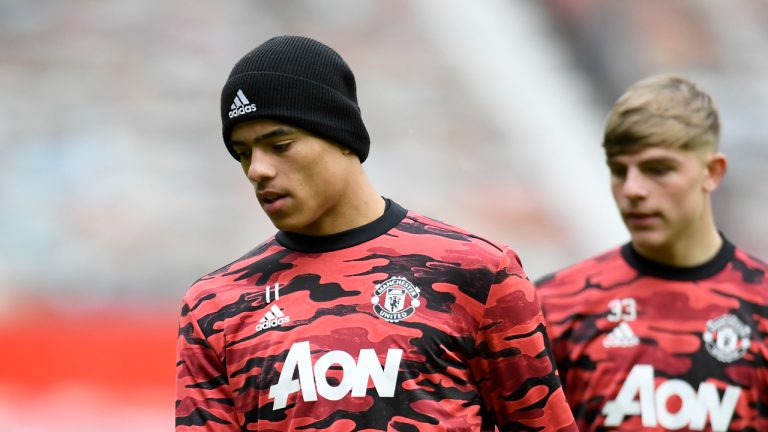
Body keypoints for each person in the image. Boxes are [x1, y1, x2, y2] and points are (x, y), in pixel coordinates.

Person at [174, 35, 576, 431]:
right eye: (243, 153)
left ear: (341, 136)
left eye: (280, 144)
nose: (257, 169)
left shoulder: (477, 272)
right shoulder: (214, 305)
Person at [535, 73, 768, 431]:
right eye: (618, 170)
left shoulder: (761, 304)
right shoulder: (553, 305)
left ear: (712, 172)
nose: (633, 190)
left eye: (657, 169)